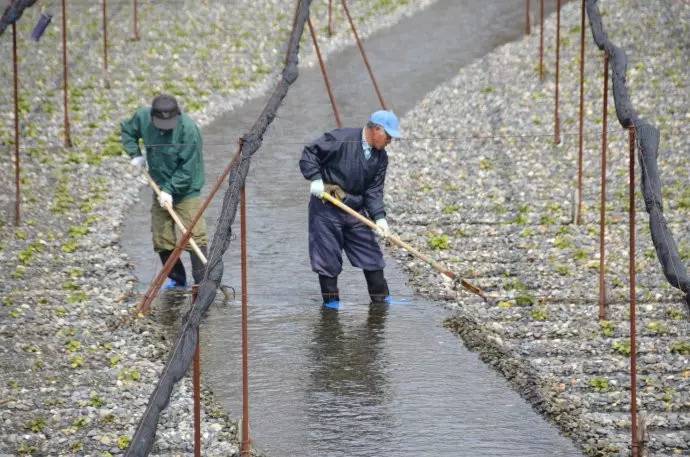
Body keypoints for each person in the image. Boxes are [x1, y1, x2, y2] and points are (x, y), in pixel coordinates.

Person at [299, 110, 401, 310]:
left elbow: (373, 190)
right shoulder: (341, 139)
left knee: (371, 255)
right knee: (327, 260)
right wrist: (315, 178)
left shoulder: (381, 158)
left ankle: (382, 301)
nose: (390, 140)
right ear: (375, 129)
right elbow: (309, 154)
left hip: (355, 209)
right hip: (326, 207)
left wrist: (379, 218)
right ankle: (331, 305)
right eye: (388, 135)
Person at [121, 94, 208, 289]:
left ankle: (203, 283)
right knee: (162, 237)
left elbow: (188, 169)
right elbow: (127, 131)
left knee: (195, 235)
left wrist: (170, 190)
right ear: (152, 118)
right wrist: (135, 154)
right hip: (159, 186)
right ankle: (177, 281)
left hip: (187, 189)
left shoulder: (189, 130)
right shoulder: (142, 117)